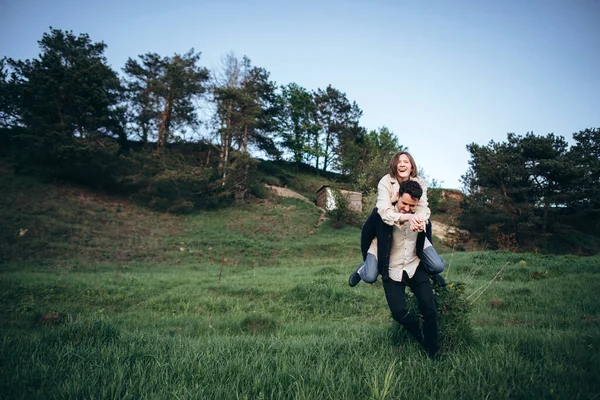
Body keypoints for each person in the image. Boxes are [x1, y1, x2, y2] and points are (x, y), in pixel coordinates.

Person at [348, 151, 445, 287]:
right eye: (399, 162)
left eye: (406, 162)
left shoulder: (420, 182)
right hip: (386, 228)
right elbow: (384, 212)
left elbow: (423, 207)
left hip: (411, 231)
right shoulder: (385, 182)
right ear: (394, 166)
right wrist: (408, 217)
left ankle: (429, 272)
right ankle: (362, 269)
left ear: (412, 166)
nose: (402, 165)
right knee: (370, 276)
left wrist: (419, 220)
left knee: (437, 266)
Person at [376, 179, 441, 358]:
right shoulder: (384, 216)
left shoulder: (421, 218)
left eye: (411, 206)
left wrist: (422, 227)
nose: (406, 208)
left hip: (414, 267)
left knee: (429, 308)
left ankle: (434, 351)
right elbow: (367, 236)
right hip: (392, 269)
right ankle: (418, 334)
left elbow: (427, 244)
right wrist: (368, 263)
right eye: (404, 203)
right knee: (398, 312)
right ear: (397, 196)